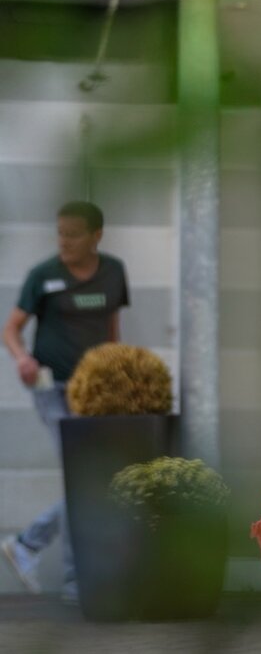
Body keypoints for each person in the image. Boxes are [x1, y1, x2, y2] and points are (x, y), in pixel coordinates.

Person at [2, 201, 129, 602]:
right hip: (52, 389)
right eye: (60, 232)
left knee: (94, 478)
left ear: (96, 236)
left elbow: (112, 328)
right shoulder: (44, 276)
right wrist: (23, 358)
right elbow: (11, 328)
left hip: (94, 393)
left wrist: (115, 376)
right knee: (83, 475)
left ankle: (27, 544)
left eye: (73, 234)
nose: (64, 242)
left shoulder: (112, 272)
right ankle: (75, 581)